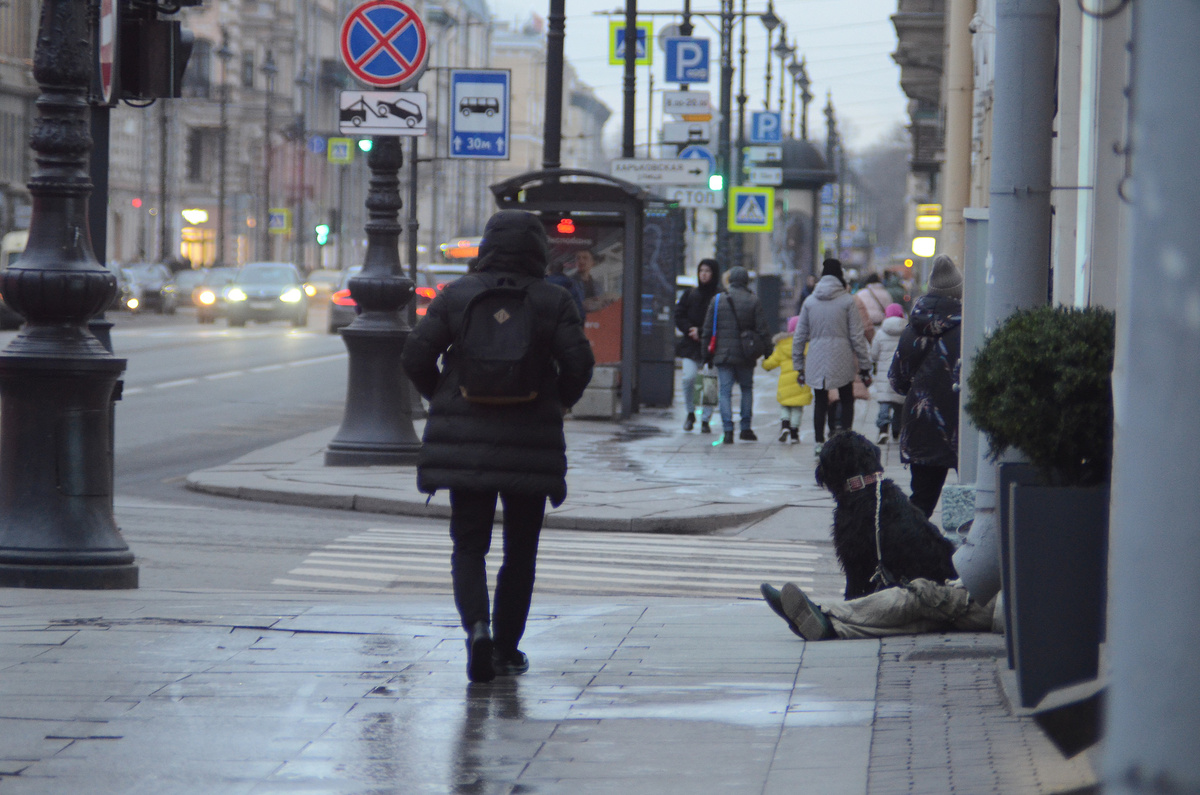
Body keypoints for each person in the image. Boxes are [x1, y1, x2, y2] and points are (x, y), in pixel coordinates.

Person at [401, 210, 595, 683]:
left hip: (464, 446)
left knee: (469, 546)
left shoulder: (456, 295)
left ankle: (477, 631)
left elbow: (415, 357)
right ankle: (508, 650)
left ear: (487, 245)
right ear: (537, 249)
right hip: (531, 443)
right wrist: (556, 402)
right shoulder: (553, 299)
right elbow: (579, 366)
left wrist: (444, 398)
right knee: (520, 550)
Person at [888, 254, 964, 518]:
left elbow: (897, 380)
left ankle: (905, 551)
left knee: (921, 501)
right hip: (962, 424)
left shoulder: (913, 329)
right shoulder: (969, 328)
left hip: (921, 423)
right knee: (975, 496)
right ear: (958, 292)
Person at [791, 258, 872, 456]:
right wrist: (865, 364)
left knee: (820, 400)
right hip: (842, 355)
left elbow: (800, 335)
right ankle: (845, 439)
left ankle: (819, 442)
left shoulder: (810, 301)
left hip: (817, 356)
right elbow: (856, 335)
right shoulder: (847, 301)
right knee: (846, 398)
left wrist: (798, 365)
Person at [760, 579, 1000, 641]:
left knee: (920, 594)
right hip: (1004, 604)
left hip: (1001, 603)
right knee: (920, 622)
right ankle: (831, 628)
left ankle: (825, 612)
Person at [701, 265, 770, 445]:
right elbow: (762, 329)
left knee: (725, 391)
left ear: (730, 280)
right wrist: (768, 350)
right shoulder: (753, 300)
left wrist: (705, 354)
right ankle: (745, 429)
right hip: (746, 355)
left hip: (723, 355)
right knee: (746, 389)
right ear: (746, 281)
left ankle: (728, 430)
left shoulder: (717, 300)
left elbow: (707, 329)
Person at [674, 258, 720, 433]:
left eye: (707, 271)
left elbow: (722, 321)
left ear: (713, 273)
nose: (704, 274)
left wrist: (702, 332)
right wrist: (689, 330)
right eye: (701, 271)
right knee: (688, 378)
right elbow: (679, 315)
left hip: (712, 347)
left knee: (709, 382)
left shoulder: (720, 296)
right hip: (690, 345)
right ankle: (690, 413)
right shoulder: (690, 294)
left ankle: (706, 419)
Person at [762, 315, 812, 443]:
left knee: (785, 405)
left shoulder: (782, 344)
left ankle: (785, 426)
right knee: (797, 408)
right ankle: (794, 434)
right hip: (801, 381)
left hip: (785, 382)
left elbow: (772, 362)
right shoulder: (807, 344)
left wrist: (765, 364)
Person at [869, 303, 907, 445]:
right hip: (900, 372)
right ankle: (896, 432)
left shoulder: (880, 333)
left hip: (885, 374)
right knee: (899, 405)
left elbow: (873, 354)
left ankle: (883, 430)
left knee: (885, 402)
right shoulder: (907, 331)